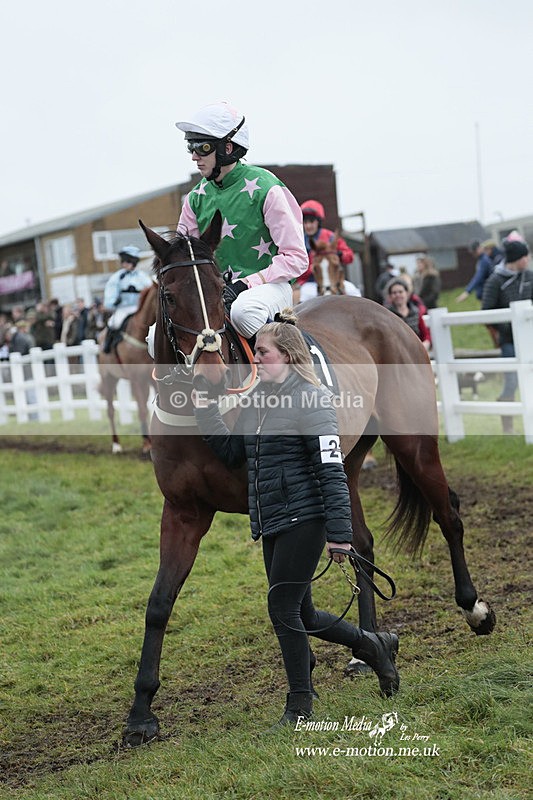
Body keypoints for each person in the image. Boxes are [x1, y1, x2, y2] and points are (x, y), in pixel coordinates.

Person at [192, 311, 400, 729]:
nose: (257, 360)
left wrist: (340, 535)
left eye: (263, 352)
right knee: (302, 614)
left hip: (306, 518)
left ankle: (300, 707)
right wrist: (205, 407)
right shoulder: (258, 401)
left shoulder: (313, 399)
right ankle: (375, 646)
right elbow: (233, 453)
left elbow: (331, 470)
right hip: (273, 519)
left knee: (282, 607)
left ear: (286, 355)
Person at [175, 102, 308, 339]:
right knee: (156, 335)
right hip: (218, 293)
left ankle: (288, 370)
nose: (194, 156)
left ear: (228, 147)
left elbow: (297, 259)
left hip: (270, 288)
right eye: (190, 146)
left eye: (202, 147)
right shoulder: (195, 199)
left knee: (243, 313)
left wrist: (245, 284)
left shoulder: (267, 188)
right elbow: (185, 258)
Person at [481, 237, 532, 433]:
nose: (527, 259)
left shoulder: (529, 277)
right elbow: (487, 311)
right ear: (517, 258)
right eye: (525, 256)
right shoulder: (495, 280)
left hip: (530, 338)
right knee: (512, 380)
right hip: (509, 340)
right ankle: (508, 425)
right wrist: (506, 328)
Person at [295, 200, 360, 302]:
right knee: (305, 297)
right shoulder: (299, 241)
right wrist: (310, 269)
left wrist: (340, 254)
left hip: (335, 280)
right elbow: (296, 267)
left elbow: (349, 256)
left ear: (318, 222)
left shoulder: (330, 237)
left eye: (311, 222)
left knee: (354, 292)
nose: (308, 226)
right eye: (305, 222)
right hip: (311, 282)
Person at [102, 246, 152, 353]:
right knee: (113, 323)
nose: (124, 264)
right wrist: (115, 301)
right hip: (123, 309)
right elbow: (109, 299)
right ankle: (108, 346)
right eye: (123, 261)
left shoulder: (143, 277)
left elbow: (150, 291)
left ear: (133, 262)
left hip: (140, 308)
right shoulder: (117, 277)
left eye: (127, 261)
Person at [385, 278, 431, 350]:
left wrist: (425, 344)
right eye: (394, 293)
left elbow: (425, 335)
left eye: (400, 292)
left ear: (407, 293)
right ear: (390, 296)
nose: (397, 295)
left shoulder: (416, 313)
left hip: (416, 352)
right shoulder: (387, 315)